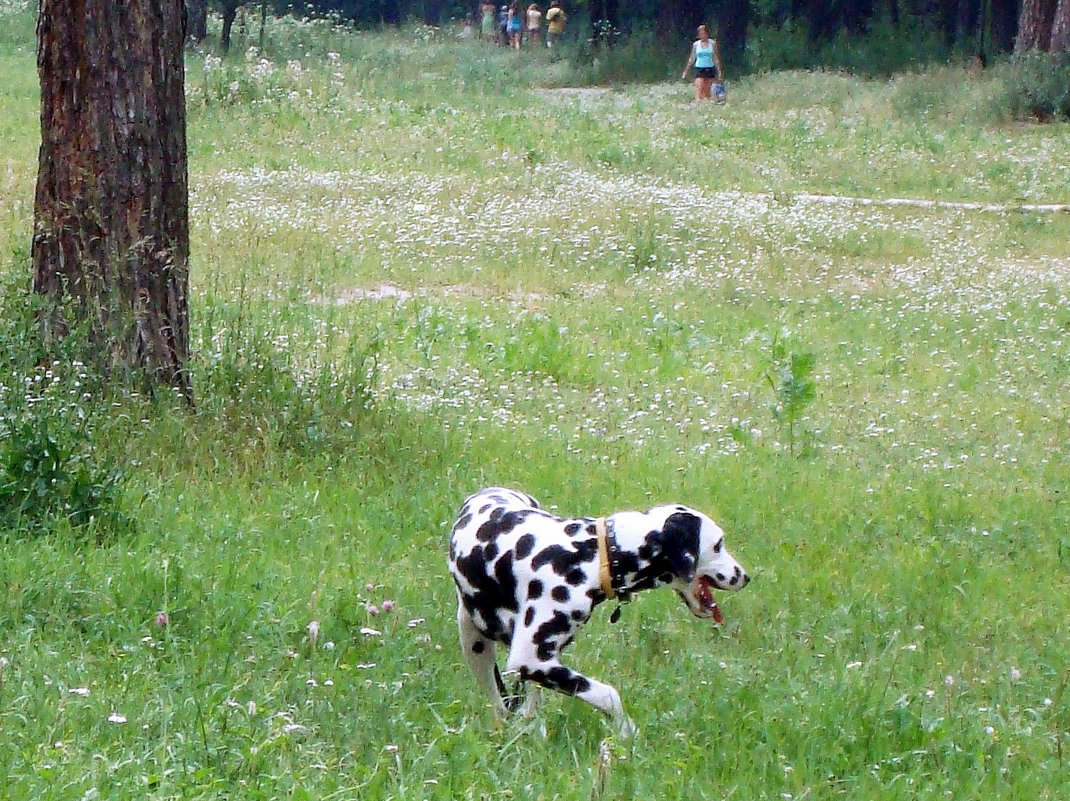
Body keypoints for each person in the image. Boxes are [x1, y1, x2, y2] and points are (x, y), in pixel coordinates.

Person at [682, 24, 724, 103]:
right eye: (700, 34)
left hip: (710, 68)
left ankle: (705, 106)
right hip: (699, 68)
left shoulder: (712, 44)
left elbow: (716, 58)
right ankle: (697, 103)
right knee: (699, 87)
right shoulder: (696, 45)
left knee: (707, 92)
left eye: (704, 33)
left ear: (707, 34)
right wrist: (686, 71)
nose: (702, 35)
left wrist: (719, 71)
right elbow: (692, 58)